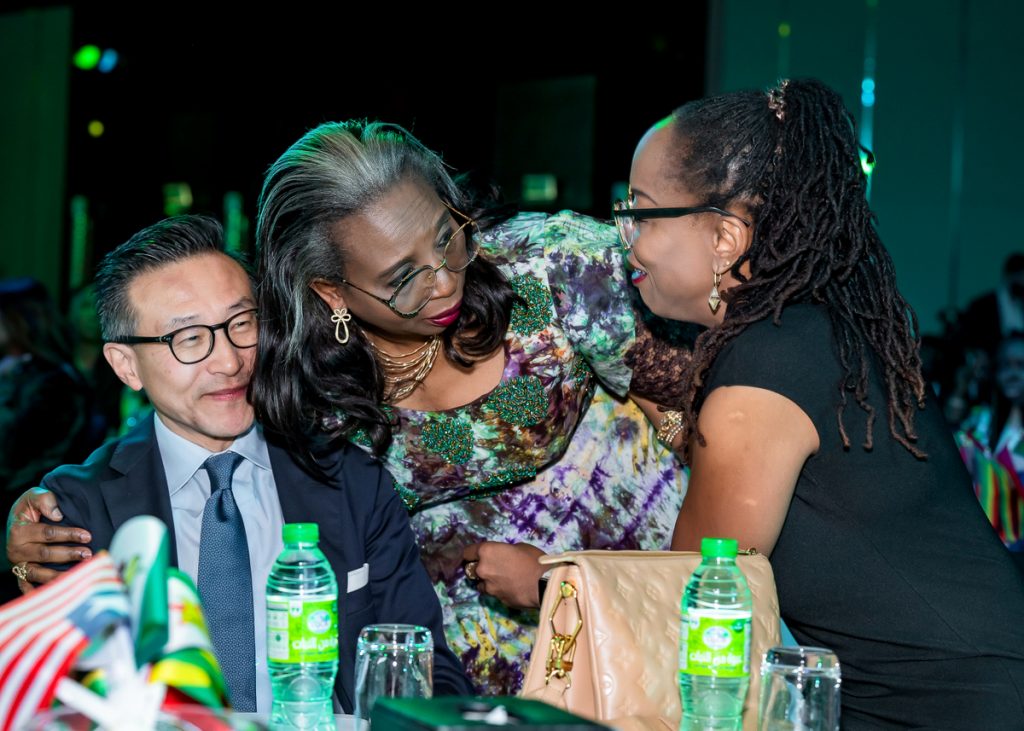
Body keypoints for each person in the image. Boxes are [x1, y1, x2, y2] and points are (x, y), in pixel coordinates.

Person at [8, 122, 689, 695]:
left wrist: (598, 581)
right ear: (331, 293)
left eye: (446, 235)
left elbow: (711, 422)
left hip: (645, 585)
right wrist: (27, 517)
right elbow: (185, 426)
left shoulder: (551, 269)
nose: (444, 280)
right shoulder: (306, 378)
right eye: (402, 276)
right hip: (465, 653)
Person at [615, 79, 1024, 728]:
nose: (627, 238)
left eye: (640, 211)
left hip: (948, 708)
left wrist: (553, 580)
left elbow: (695, 593)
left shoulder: (764, 364)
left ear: (724, 237)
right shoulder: (809, 333)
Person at [4, 215, 470, 713]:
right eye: (188, 338)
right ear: (126, 365)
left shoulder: (350, 479)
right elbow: (54, 699)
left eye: (242, 324)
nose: (229, 361)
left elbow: (428, 673)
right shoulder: (81, 508)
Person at [955, 332, 1024, 545]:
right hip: (979, 545)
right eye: (1004, 366)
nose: (1012, 374)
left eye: (1021, 365)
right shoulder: (980, 421)